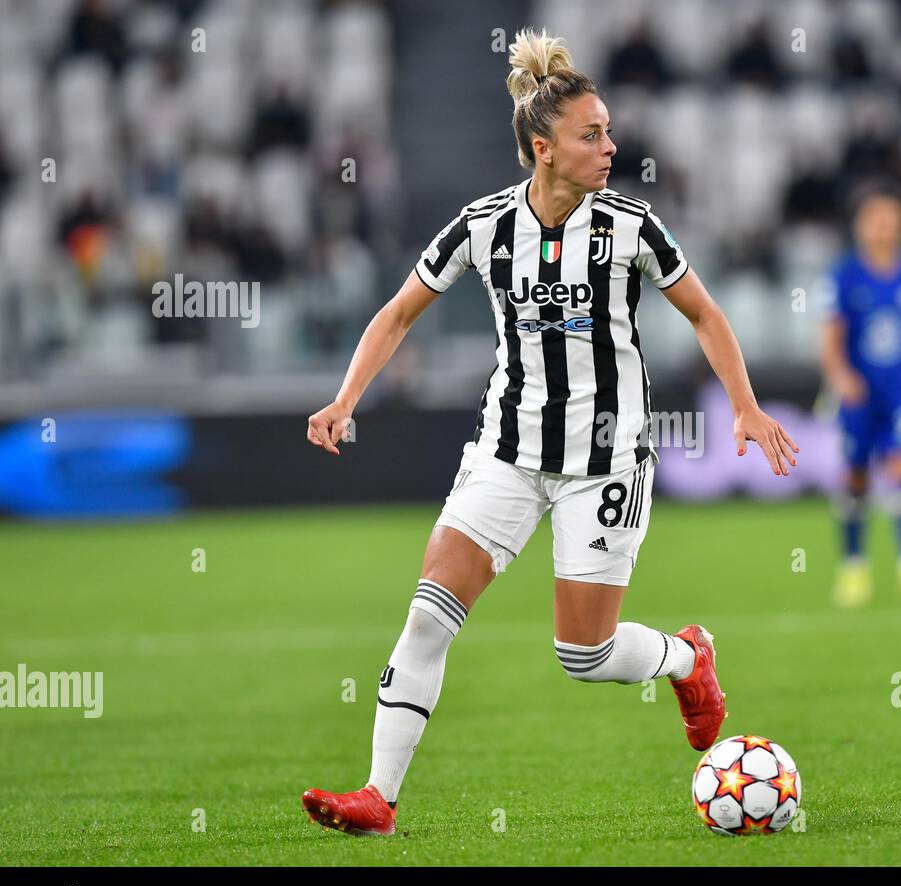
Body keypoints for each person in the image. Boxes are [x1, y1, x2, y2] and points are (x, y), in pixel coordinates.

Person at [299, 28, 799, 835]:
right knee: (428, 614)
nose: (611, 146)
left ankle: (685, 658)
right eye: (591, 134)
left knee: (584, 657)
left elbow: (704, 312)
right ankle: (378, 798)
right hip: (506, 451)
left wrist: (743, 403)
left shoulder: (632, 227)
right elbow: (396, 315)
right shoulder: (482, 227)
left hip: (603, 463)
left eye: (607, 131)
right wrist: (345, 397)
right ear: (544, 148)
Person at [820, 187, 901, 607]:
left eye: (891, 219)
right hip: (858, 393)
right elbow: (830, 337)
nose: (884, 228)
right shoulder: (844, 275)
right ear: (861, 226)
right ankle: (853, 567)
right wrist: (840, 377)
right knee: (856, 478)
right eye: (876, 219)